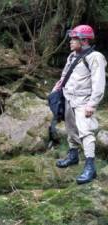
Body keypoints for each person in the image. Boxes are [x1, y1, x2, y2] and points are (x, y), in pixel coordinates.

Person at [53, 25, 106, 184]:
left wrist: (92, 104)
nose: (70, 41)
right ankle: (73, 155)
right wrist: (59, 86)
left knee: (86, 131)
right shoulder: (72, 56)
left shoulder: (95, 57)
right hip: (69, 97)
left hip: (84, 101)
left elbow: (99, 83)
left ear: (84, 40)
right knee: (71, 128)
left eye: (74, 39)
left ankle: (90, 166)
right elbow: (65, 74)